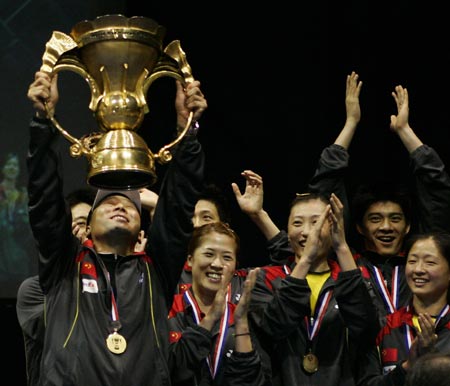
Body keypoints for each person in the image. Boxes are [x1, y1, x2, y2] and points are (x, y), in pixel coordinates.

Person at [26, 67, 207, 386]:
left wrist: (187, 131)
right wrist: (44, 120)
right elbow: (44, 198)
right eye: (107, 202)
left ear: (142, 231)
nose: (120, 204)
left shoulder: (156, 269)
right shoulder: (65, 265)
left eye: (130, 205)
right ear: (87, 225)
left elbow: (178, 206)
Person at [248, 192, 377, 386]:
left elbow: (366, 329)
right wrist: (305, 260)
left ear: (334, 226)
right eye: (297, 223)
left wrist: (341, 246)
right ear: (287, 229)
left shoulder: (351, 279)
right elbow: (273, 327)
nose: (307, 232)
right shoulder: (267, 278)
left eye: (316, 222)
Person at [168, 222, 269, 385]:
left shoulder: (247, 313)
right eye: (209, 254)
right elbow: (170, 371)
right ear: (190, 260)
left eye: (227, 257)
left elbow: (253, 381)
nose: (216, 264)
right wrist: (210, 319)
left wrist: (242, 323)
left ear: (235, 266)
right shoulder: (168, 310)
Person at [16, 187, 96, 386]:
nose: (82, 232)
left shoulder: (123, 284)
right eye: (75, 224)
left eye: (87, 225)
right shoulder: (34, 290)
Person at [357, 231, 450, 385]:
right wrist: (407, 367)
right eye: (412, 261)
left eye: (430, 262)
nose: (418, 269)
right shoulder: (384, 327)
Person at [0, 152, 37, 282]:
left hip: (19, 254)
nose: (12, 168)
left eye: (15, 165)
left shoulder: (23, 195)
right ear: (2, 167)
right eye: (9, 164)